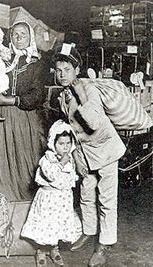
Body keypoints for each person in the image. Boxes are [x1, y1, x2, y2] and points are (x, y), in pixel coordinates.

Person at [51, 44, 126, 267]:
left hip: (105, 149)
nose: (62, 74)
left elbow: (92, 122)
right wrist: (75, 157)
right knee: (85, 192)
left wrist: (80, 93)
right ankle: (89, 230)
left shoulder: (89, 89)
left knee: (106, 199)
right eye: (58, 69)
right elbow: (70, 131)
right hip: (84, 152)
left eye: (67, 68)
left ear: (77, 69)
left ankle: (104, 244)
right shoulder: (61, 95)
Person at [0, 21, 48, 202]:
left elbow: (38, 94)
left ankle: (23, 206)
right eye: (15, 34)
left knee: (24, 164)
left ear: (30, 37)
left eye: (23, 34)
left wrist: (9, 100)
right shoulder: (1, 58)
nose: (19, 37)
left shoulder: (37, 63)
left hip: (23, 117)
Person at [21, 119, 79, 267]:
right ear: (53, 143)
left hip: (62, 200)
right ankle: (41, 250)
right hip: (48, 199)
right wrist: (62, 163)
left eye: (68, 143)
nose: (65, 148)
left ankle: (54, 249)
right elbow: (51, 175)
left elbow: (70, 178)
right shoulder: (47, 159)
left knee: (58, 226)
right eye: (61, 144)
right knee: (46, 226)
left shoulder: (70, 159)